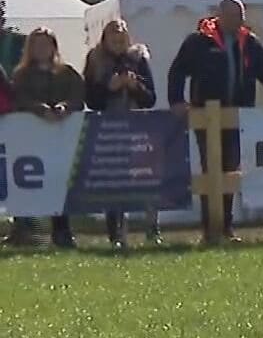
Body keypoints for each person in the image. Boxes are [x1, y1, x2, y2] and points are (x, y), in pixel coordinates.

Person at [167, 0, 263, 242]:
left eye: (242, 16)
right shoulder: (198, 41)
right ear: (221, 15)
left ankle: (226, 226)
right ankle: (211, 229)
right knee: (211, 170)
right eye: (235, 16)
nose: (240, 21)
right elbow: (178, 71)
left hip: (238, 117)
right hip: (206, 116)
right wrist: (176, 100)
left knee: (231, 169)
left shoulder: (249, 43)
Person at [83, 20, 162, 249]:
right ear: (105, 38)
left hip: (139, 127)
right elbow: (91, 100)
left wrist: (135, 87)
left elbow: (151, 98)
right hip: (110, 130)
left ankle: (152, 229)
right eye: (113, 35)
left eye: (122, 36)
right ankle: (116, 234)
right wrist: (110, 87)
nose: (118, 40)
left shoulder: (138, 58)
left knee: (147, 179)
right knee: (114, 182)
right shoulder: (95, 60)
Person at [6, 28, 85, 248]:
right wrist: (39, 109)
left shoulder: (67, 73)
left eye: (46, 44)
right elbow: (18, 98)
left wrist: (64, 107)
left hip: (60, 138)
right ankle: (24, 231)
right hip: (30, 139)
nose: (42, 49)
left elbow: (78, 96)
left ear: (54, 47)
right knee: (27, 184)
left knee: (59, 183)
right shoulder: (21, 74)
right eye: (37, 45)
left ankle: (62, 231)